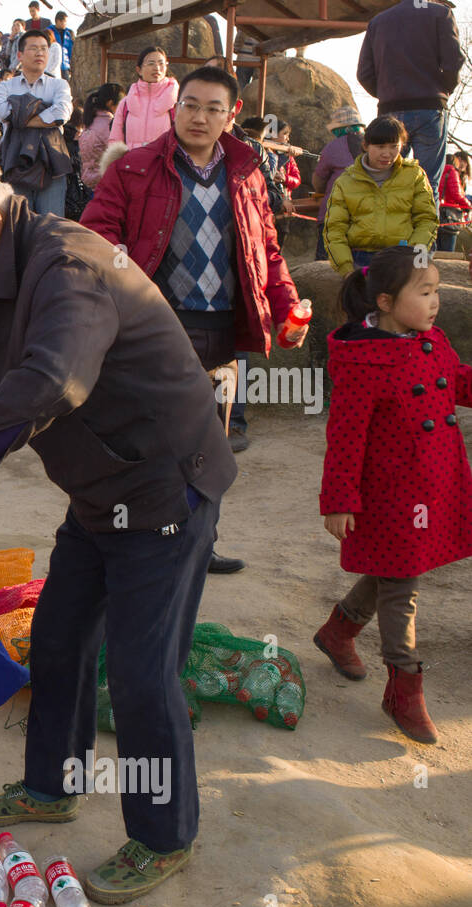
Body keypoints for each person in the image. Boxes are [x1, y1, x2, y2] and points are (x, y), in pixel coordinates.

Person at [0, 144, 237, 903]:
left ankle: (164, 834)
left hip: (162, 487)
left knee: (142, 673)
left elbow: (55, 379)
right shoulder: (7, 271)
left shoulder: (66, 264)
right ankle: (53, 784)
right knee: (59, 637)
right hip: (99, 493)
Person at [81, 65, 305, 564]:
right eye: (190, 105)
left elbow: (266, 250)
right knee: (151, 438)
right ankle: (147, 541)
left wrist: (288, 306)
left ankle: (201, 544)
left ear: (232, 115)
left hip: (222, 330)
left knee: (211, 444)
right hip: (156, 327)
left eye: (212, 109)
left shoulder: (247, 174)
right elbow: (95, 235)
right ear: (173, 107)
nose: (198, 117)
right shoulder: (133, 167)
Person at [313, 245, 471, 745]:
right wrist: (340, 500)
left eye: (437, 292)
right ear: (383, 300)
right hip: (390, 493)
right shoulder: (365, 360)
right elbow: (346, 436)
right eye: (424, 293)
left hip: (435, 481)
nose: (434, 303)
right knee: (404, 582)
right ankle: (404, 686)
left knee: (398, 568)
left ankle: (339, 631)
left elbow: (455, 383)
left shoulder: (431, 340)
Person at [357, 0, 465, 200]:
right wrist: (443, 90)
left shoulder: (378, 22)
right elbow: (454, 61)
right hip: (430, 106)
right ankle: (425, 231)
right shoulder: (440, 14)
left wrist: (386, 94)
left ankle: (388, 229)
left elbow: (364, 74)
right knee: (427, 183)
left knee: (386, 180)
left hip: (391, 108)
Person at [324, 115, 438, 277]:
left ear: (402, 145)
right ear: (365, 145)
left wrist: (415, 257)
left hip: (401, 257)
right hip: (359, 259)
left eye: (394, 146)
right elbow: (335, 228)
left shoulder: (415, 175)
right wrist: (346, 269)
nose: (387, 153)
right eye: (380, 146)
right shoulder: (346, 181)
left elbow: (426, 219)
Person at [0, 29, 73, 217]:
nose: (40, 53)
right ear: (19, 55)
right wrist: (45, 112)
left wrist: (20, 116)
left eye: (44, 49)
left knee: (51, 227)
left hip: (52, 164)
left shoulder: (59, 85)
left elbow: (62, 113)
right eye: (34, 48)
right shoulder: (5, 86)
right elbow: (3, 113)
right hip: (15, 163)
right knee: (18, 227)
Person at [313, 105, 365, 261]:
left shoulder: (333, 147)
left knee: (324, 265)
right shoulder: (375, 145)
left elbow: (319, 179)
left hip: (334, 215)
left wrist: (321, 189)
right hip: (366, 216)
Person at [109, 46, 178, 150]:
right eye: (151, 63)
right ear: (139, 70)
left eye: (161, 63)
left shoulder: (176, 101)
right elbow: (115, 140)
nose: (157, 68)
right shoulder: (126, 103)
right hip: (133, 163)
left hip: (163, 164)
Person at [80, 82, 122, 190]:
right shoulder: (109, 124)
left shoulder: (90, 120)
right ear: (110, 103)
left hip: (89, 178)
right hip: (104, 180)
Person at [437, 149, 471, 252]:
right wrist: (468, 206)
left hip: (437, 212)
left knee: (436, 251)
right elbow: (457, 195)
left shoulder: (438, 171)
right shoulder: (452, 171)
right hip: (450, 216)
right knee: (448, 252)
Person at [53, 11, 74, 81]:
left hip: (65, 66)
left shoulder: (69, 33)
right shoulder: (50, 32)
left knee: (66, 88)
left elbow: (70, 50)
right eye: (65, 21)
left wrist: (71, 65)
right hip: (53, 66)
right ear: (58, 21)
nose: (66, 23)